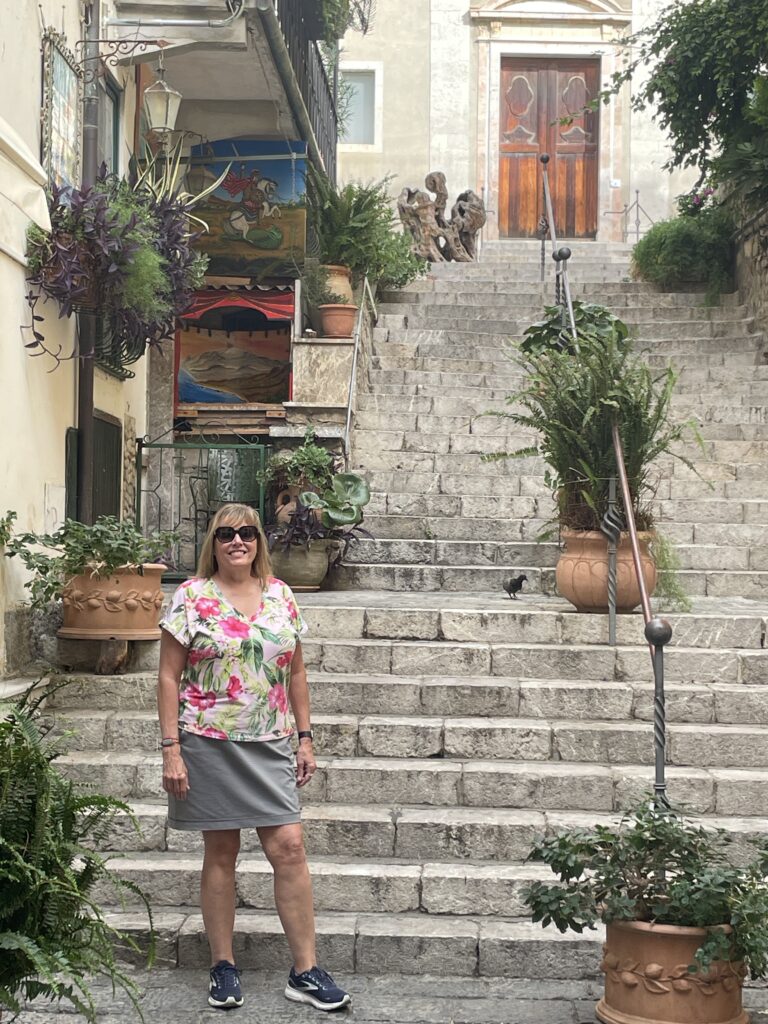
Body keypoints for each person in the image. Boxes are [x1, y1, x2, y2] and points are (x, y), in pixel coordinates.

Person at [157, 502, 351, 1012]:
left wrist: (305, 737)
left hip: (270, 742)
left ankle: (305, 971)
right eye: (226, 534)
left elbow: (298, 673)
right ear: (213, 542)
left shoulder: (282, 595)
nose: (237, 541)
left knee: (289, 846)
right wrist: (170, 748)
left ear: (259, 540)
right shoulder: (191, 597)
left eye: (247, 533)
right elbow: (167, 677)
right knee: (220, 852)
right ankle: (223, 966)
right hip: (206, 740)